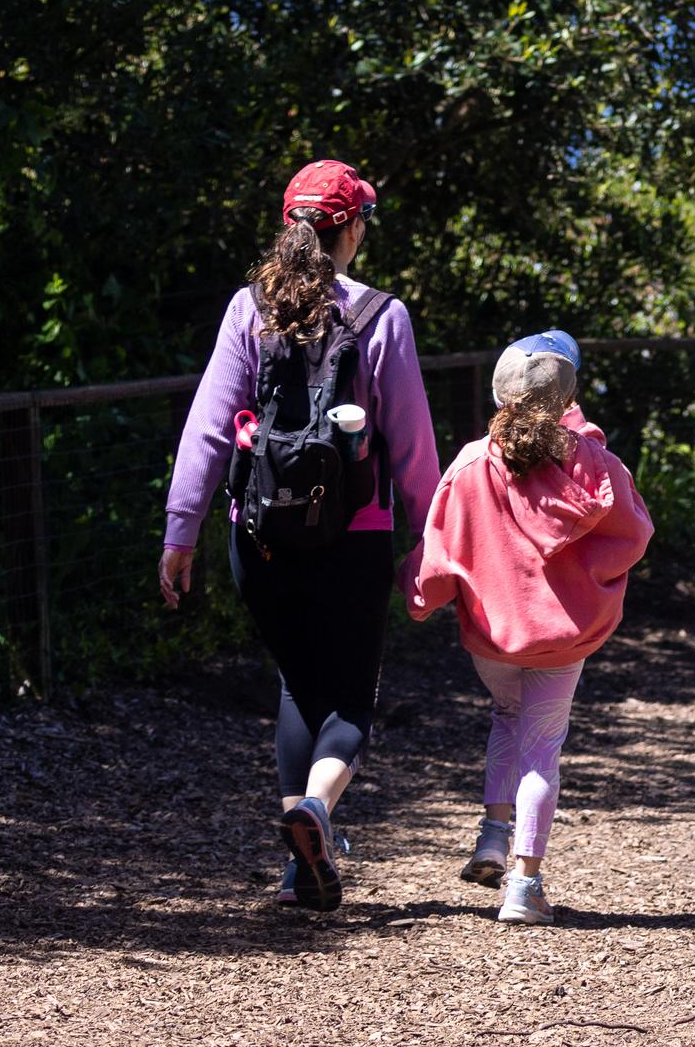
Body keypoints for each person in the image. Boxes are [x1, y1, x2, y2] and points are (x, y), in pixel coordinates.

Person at [161, 159, 440, 912]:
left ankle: (297, 868)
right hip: (355, 534)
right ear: (350, 227)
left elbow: (208, 429)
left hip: (259, 538)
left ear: (290, 224)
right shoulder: (381, 316)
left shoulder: (246, 310)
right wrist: (432, 538)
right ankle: (316, 807)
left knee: (297, 681)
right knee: (349, 695)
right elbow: (412, 446)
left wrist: (179, 531)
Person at [408, 330, 653, 926]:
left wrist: (421, 597)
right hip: (563, 633)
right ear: (567, 394)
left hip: (493, 633)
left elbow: (440, 549)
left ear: (499, 393)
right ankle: (524, 886)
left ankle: (493, 834)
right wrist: (593, 575)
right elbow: (636, 534)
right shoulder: (594, 463)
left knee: (506, 718)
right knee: (542, 747)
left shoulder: (469, 463)